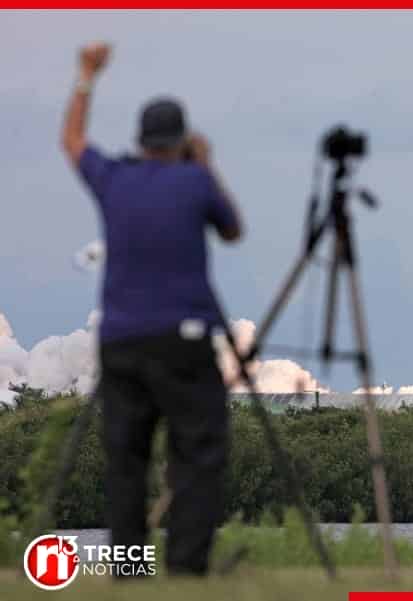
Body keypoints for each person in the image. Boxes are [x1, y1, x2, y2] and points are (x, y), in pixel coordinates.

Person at [61, 41, 243, 576]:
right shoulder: (194, 180)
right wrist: (206, 165)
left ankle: (130, 570)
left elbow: (71, 141)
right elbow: (232, 229)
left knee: (126, 463)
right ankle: (185, 569)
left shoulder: (113, 178)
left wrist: (86, 77)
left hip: (120, 342)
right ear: (181, 141)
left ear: (140, 141)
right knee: (197, 455)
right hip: (183, 342)